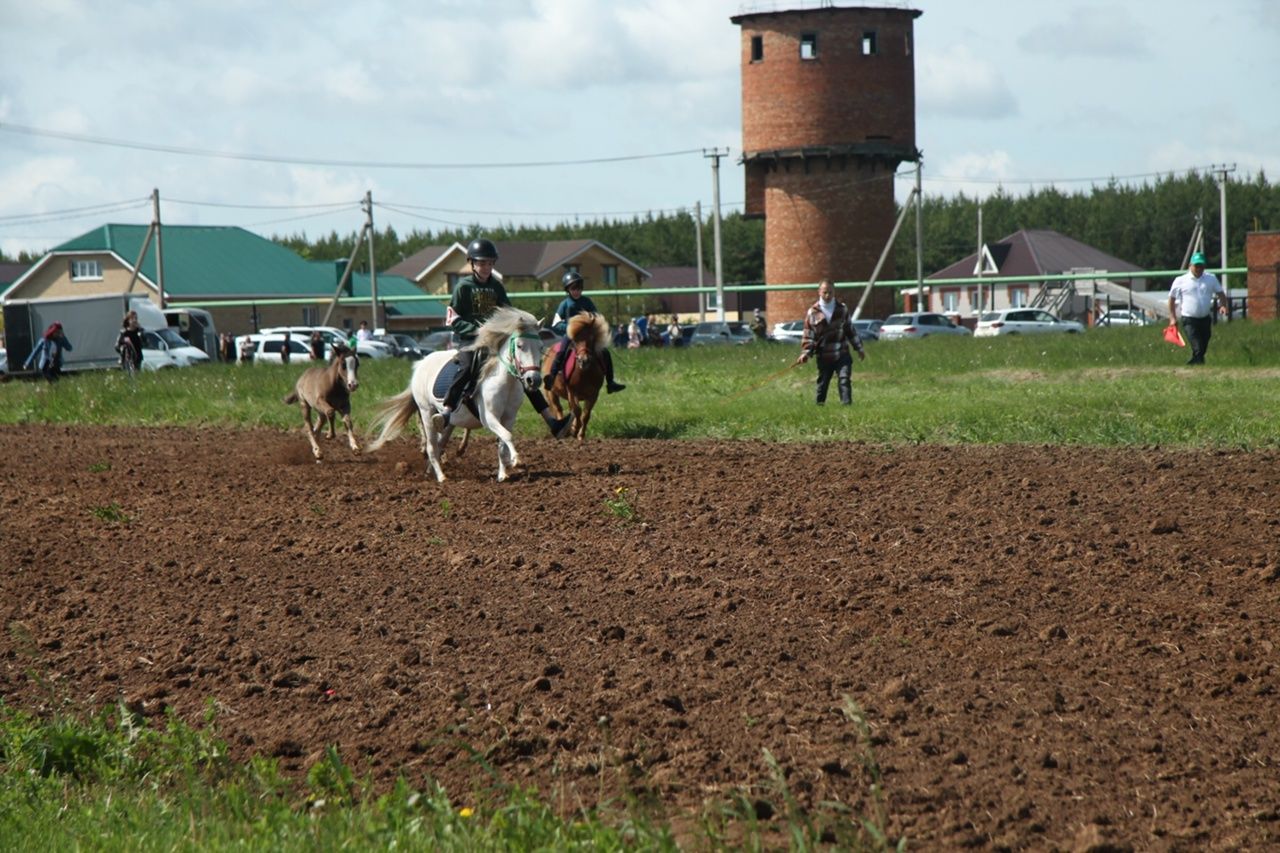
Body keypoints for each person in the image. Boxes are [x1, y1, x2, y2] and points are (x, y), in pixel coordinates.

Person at [431, 238, 572, 438]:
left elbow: (509, 312)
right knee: (465, 367)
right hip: (470, 341)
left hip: (495, 342)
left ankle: (551, 421)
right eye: (481, 263)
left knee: (522, 372)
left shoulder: (497, 287)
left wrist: (523, 322)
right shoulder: (463, 287)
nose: (486, 267)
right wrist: (474, 330)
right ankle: (446, 411)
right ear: (472, 263)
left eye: (489, 263)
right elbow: (452, 317)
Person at [543, 271, 626, 394]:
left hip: (587, 337)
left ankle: (610, 382)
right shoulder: (564, 304)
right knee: (561, 352)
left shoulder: (587, 301)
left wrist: (592, 325)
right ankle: (552, 376)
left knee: (605, 352)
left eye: (579, 288)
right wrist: (571, 327)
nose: (576, 291)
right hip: (571, 336)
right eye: (573, 289)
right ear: (568, 290)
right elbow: (556, 323)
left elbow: (596, 317)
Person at [797, 279, 865, 405]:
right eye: (825, 293)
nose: (827, 296)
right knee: (823, 383)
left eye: (830, 292)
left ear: (834, 292)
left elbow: (850, 330)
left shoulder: (842, 309)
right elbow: (808, 335)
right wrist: (805, 353)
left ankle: (847, 405)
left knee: (844, 379)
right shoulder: (812, 312)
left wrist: (859, 348)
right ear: (819, 292)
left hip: (842, 353)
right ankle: (820, 405)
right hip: (824, 355)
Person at [1168, 251, 1227, 366]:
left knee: (1204, 344)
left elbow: (1220, 293)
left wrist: (1223, 305)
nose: (1199, 268)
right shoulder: (1180, 280)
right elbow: (1171, 299)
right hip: (1189, 319)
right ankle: (1195, 364)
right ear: (1190, 266)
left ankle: (1196, 364)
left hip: (1205, 318)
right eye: (1196, 266)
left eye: (1201, 266)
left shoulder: (1211, 278)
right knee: (1197, 346)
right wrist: (1172, 318)